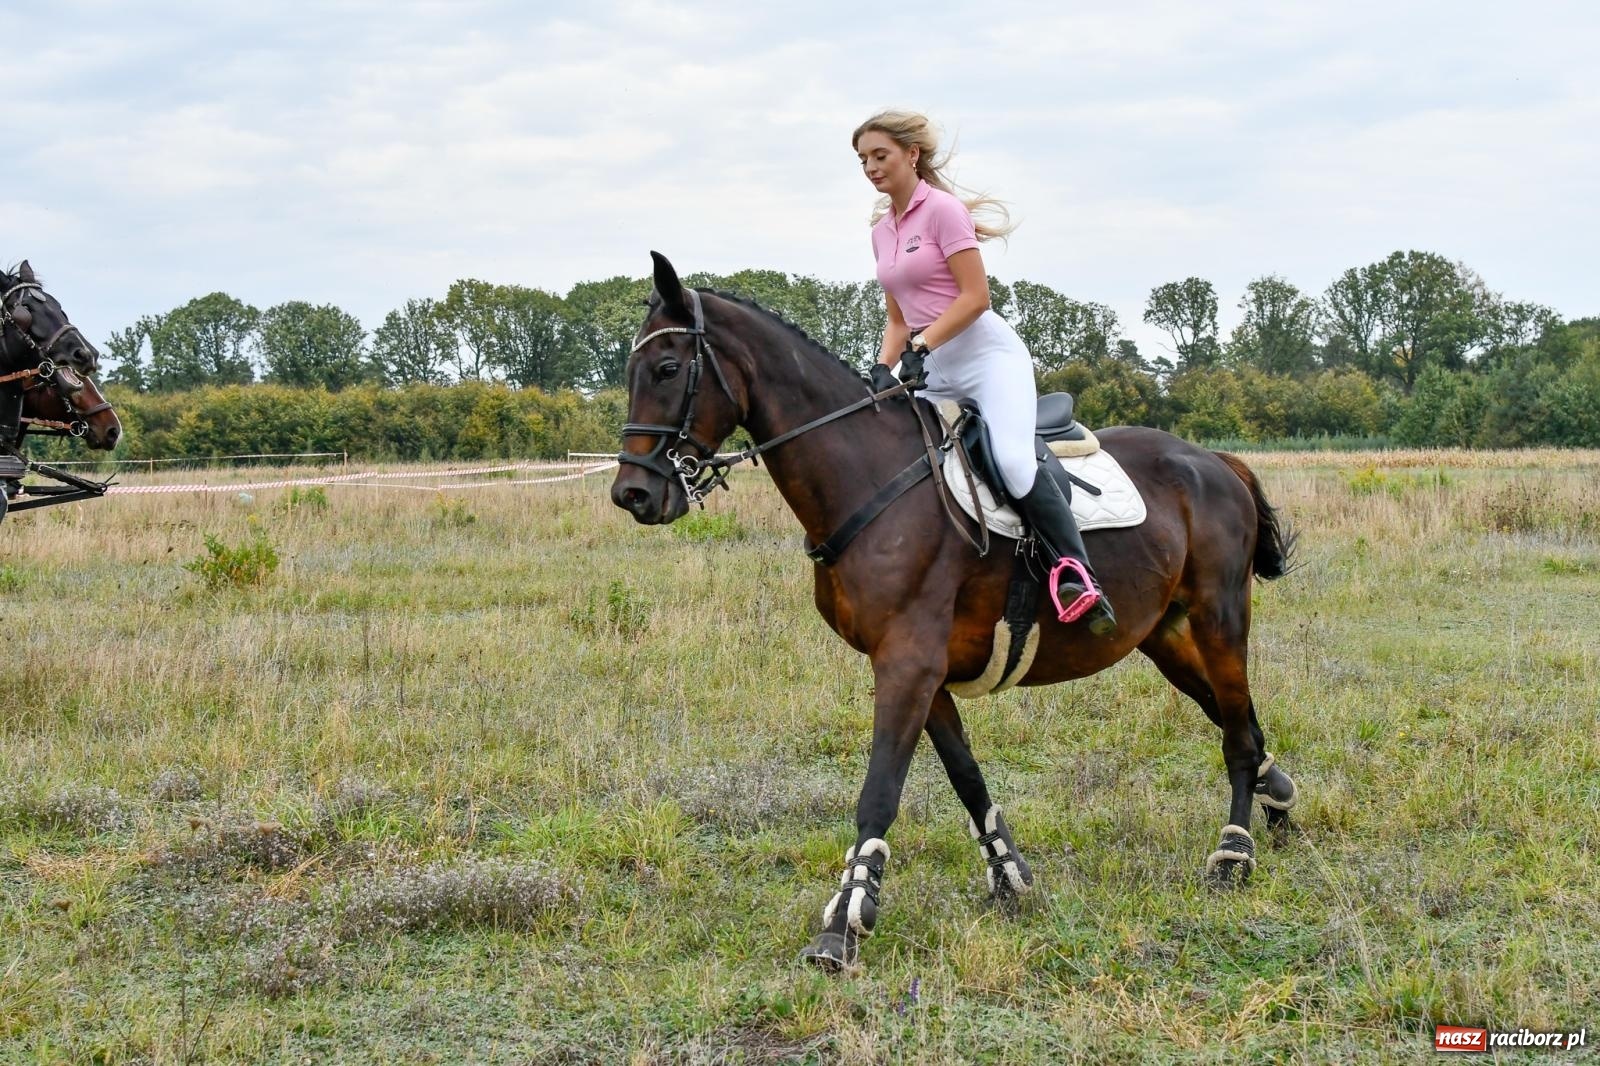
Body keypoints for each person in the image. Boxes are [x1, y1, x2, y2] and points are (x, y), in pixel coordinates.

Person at [853, 110, 1115, 635]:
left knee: (1014, 463)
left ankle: (1078, 574)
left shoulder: (944, 212)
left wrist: (923, 344)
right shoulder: (882, 231)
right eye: (862, 160)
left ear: (912, 154)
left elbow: (976, 297)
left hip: (986, 357)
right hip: (928, 364)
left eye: (880, 155)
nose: (870, 168)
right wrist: (883, 368)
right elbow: (897, 318)